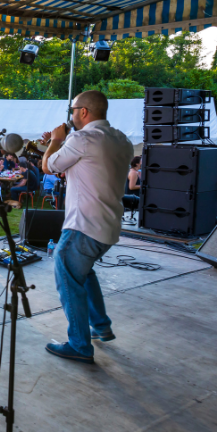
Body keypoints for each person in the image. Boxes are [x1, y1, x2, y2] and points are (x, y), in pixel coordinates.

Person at [41, 90, 133, 364]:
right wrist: (58, 143)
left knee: (68, 280)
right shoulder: (122, 140)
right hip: (107, 225)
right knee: (84, 273)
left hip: (82, 225)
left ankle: (80, 345)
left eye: (72, 110)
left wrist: (56, 141)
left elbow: (48, 166)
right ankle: (101, 327)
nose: (70, 115)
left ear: (83, 112)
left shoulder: (82, 138)